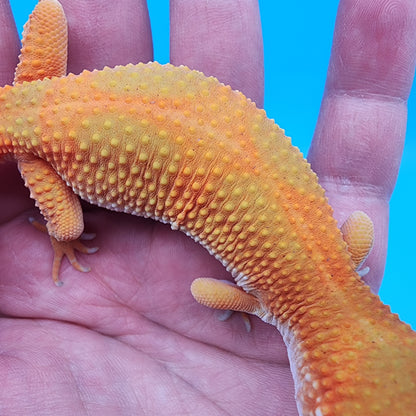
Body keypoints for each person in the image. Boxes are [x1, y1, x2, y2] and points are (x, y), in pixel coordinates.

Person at [0, 1, 414, 414]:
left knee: (52, 11)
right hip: (53, 139)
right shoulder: (272, 300)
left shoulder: (348, 252)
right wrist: (251, 303)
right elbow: (204, 292)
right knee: (69, 229)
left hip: (51, 93)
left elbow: (359, 225)